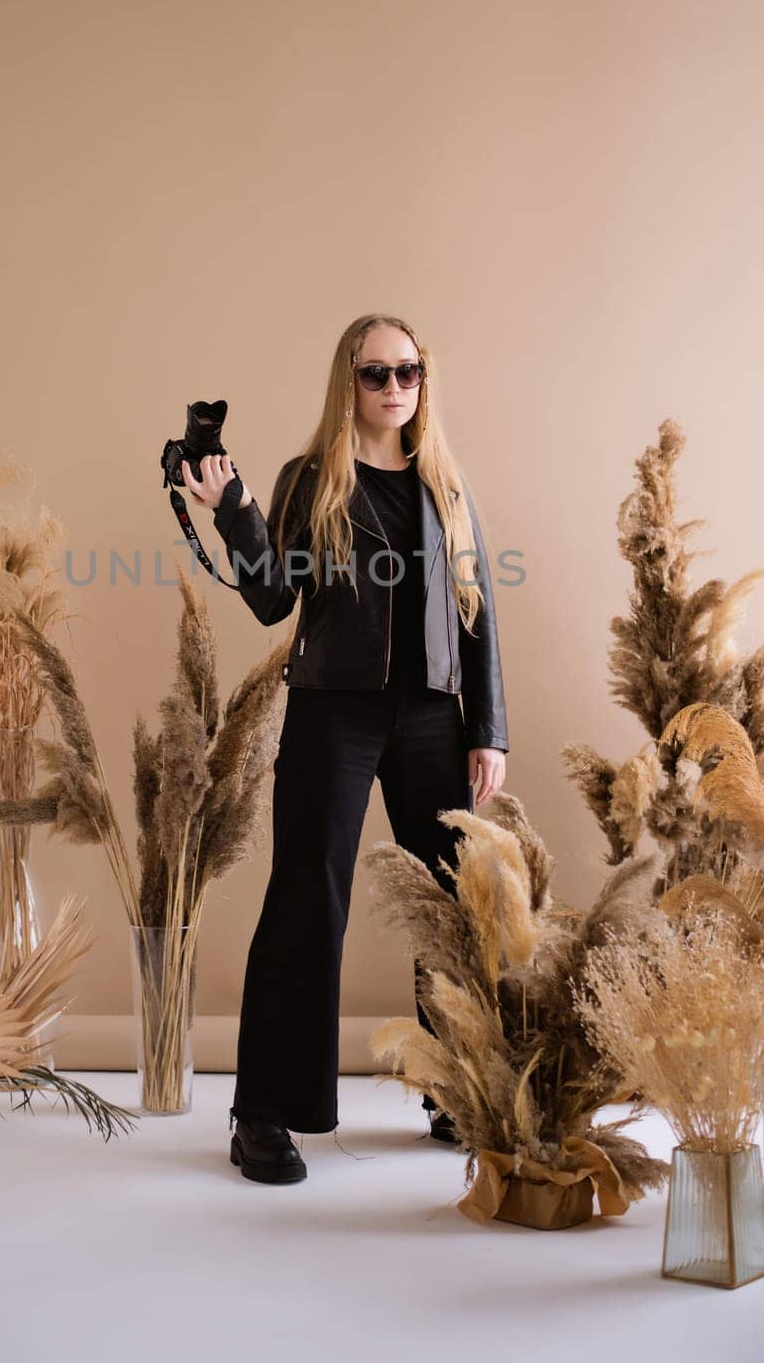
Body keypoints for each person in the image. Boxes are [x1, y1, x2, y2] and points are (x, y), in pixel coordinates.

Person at [180, 313, 509, 1184]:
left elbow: (477, 614)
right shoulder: (311, 478)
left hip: (434, 717)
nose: (394, 389)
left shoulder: (445, 487)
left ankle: (455, 1090)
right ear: (348, 381)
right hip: (334, 711)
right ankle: (263, 1116)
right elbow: (269, 600)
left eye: (409, 373)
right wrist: (235, 513)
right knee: (305, 897)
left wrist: (489, 730)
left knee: (449, 906)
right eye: (376, 374)